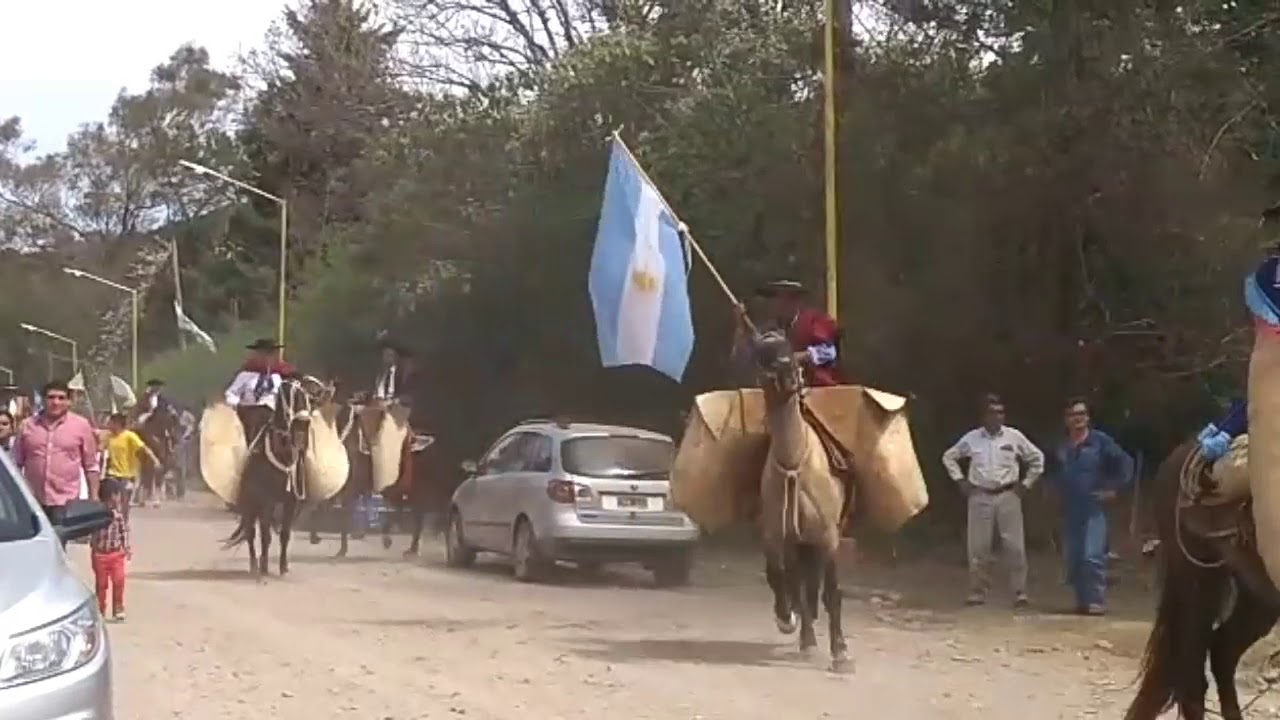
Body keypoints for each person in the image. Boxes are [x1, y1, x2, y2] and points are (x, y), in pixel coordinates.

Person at [941, 393, 1045, 608]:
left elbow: (1037, 459)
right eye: (992, 412)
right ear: (983, 416)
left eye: (1000, 412)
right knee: (978, 546)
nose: (997, 417)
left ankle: (1019, 591)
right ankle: (977, 591)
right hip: (980, 494)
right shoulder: (972, 438)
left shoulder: (1014, 437)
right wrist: (960, 480)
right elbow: (949, 457)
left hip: (1008, 494)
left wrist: (1026, 484)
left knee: (1014, 545)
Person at [1049, 397, 1134, 616]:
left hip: (1094, 507)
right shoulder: (1062, 446)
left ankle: (1096, 600)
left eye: (1082, 414)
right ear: (1066, 420)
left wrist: (1113, 488)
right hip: (1069, 508)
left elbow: (1125, 463)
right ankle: (1082, 601)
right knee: (1074, 558)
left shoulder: (1100, 441)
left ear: (1087, 417)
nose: (1078, 419)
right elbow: (1055, 474)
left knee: (1092, 555)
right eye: (1073, 415)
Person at [10, 379, 101, 529]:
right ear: (43, 400)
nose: (56, 402)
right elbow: (16, 463)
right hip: (33, 501)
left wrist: (94, 497)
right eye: (51, 397)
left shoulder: (81, 426)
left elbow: (91, 466)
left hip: (66, 501)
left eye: (61, 398)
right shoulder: (27, 426)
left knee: (58, 544)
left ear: (69, 402)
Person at [737, 279, 843, 386]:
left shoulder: (814, 321)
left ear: (797, 301)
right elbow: (743, 358)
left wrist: (798, 357)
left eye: (786, 298)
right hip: (778, 393)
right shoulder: (768, 329)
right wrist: (740, 323)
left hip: (817, 391)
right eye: (775, 297)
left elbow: (830, 352)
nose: (779, 303)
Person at [372, 334, 419, 497]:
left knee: (390, 428)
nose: (386, 358)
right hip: (378, 409)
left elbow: (410, 395)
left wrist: (392, 401)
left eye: (390, 355)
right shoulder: (379, 373)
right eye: (384, 355)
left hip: (398, 409)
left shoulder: (405, 373)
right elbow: (377, 393)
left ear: (395, 357)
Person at [223, 338, 298, 437]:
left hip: (274, 417)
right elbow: (230, 393)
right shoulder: (245, 375)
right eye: (262, 353)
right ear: (256, 355)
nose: (266, 357)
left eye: (270, 353)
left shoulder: (279, 377)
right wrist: (239, 405)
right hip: (249, 415)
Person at [103, 412, 160, 519]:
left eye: (110, 423)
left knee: (125, 501)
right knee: (110, 499)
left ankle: (125, 520)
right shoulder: (109, 437)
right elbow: (100, 447)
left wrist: (155, 460)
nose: (108, 425)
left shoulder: (129, 436)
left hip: (127, 475)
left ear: (117, 424)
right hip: (112, 473)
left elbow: (144, 448)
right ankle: (111, 521)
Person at [90, 478, 132, 622]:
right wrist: (94, 550)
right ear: (109, 497)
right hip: (100, 556)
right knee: (101, 585)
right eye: (116, 495)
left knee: (119, 581)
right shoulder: (97, 517)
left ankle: (118, 608)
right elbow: (93, 533)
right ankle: (100, 609)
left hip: (116, 554)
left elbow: (123, 532)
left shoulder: (118, 517)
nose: (118, 499)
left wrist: (126, 547)